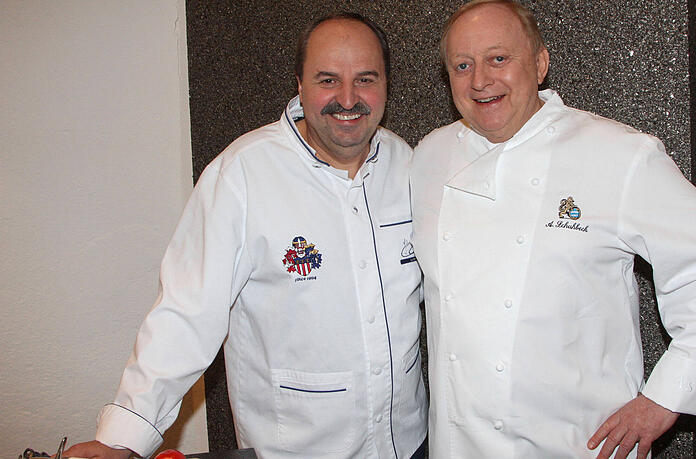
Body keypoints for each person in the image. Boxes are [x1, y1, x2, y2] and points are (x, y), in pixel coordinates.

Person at [64, 13, 427, 459]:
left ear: (387, 84)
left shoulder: (409, 166)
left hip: (406, 443)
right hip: (295, 450)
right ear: (299, 84)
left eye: (365, 79)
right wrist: (125, 438)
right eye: (327, 80)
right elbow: (186, 314)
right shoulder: (242, 175)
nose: (347, 98)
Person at [409, 1, 696, 458]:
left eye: (499, 58)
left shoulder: (617, 153)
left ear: (539, 63)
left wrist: (666, 397)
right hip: (461, 445)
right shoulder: (429, 157)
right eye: (462, 65)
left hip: (580, 444)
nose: (480, 80)